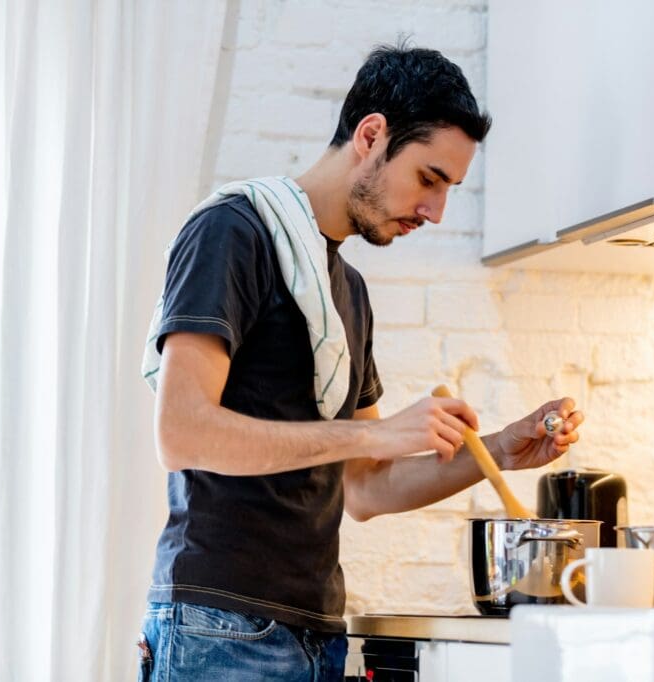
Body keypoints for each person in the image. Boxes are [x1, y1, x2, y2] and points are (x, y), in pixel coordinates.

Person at [136, 42, 585, 681]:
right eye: (429, 179)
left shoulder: (348, 292)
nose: (436, 211)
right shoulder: (234, 232)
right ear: (372, 135)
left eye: (449, 189)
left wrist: (503, 451)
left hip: (314, 632)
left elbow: (367, 487)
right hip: (221, 626)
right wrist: (375, 431)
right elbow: (180, 433)